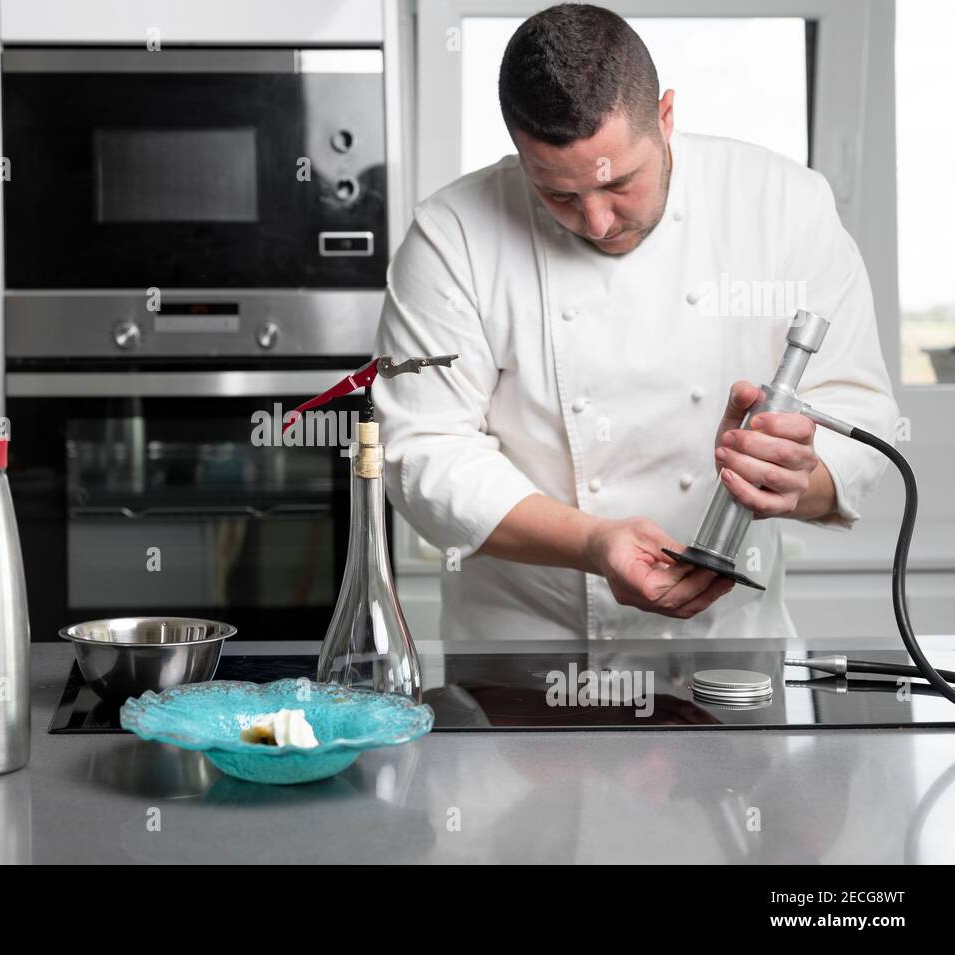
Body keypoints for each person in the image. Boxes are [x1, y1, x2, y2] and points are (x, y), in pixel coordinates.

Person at [374, 3, 898, 640]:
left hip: (725, 647)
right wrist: (594, 542)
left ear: (666, 116)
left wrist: (797, 478)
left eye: (619, 182)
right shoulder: (450, 235)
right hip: (521, 656)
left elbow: (862, 415)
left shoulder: (784, 205)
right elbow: (422, 453)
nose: (596, 222)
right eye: (559, 194)